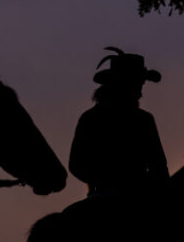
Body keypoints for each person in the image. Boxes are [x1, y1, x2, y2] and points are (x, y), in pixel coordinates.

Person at [69, 47, 168, 199]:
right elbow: (77, 164)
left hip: (138, 196)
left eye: (140, 85)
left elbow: (159, 167)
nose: (140, 92)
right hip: (103, 198)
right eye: (135, 85)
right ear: (118, 85)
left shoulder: (143, 120)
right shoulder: (91, 119)